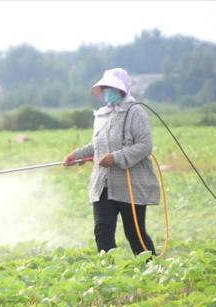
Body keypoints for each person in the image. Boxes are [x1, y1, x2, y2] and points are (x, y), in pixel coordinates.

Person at [64, 68, 159, 255]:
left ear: (123, 89)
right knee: (102, 230)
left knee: (134, 233)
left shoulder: (135, 111)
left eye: (113, 88)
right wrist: (77, 155)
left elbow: (144, 145)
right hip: (103, 184)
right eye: (106, 87)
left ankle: (152, 270)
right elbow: (97, 145)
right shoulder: (101, 115)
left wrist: (115, 157)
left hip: (131, 184)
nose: (109, 91)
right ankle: (109, 272)